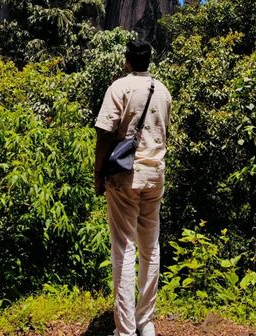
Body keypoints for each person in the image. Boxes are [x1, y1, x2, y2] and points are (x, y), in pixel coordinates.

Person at [94, 39, 172, 336]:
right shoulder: (163, 91)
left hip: (125, 176)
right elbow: (165, 133)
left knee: (124, 250)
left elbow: (104, 134)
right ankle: (146, 323)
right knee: (150, 248)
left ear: (127, 60)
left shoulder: (119, 87)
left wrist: (98, 173)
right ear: (148, 61)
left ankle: (125, 330)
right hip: (155, 175)